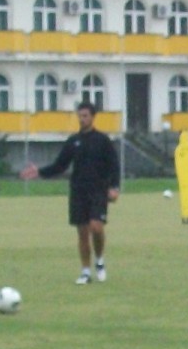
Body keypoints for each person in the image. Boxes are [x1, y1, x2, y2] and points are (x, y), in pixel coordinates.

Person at [20, 101, 120, 285]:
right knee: (82, 232)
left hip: (98, 191)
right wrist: (40, 171)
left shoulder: (103, 140)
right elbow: (60, 165)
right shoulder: (73, 141)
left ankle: (99, 260)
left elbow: (114, 165)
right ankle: (85, 272)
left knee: (96, 227)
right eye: (79, 116)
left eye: (85, 116)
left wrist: (115, 187)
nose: (82, 119)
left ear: (93, 117)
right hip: (78, 192)